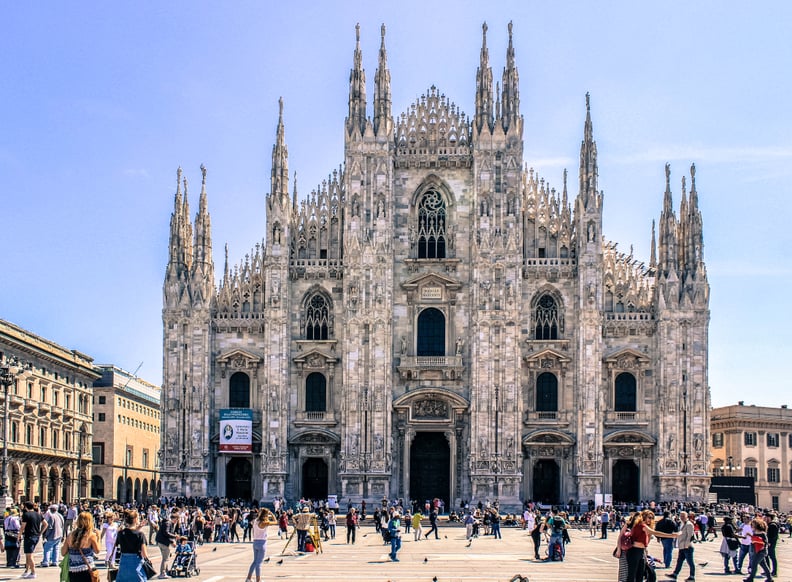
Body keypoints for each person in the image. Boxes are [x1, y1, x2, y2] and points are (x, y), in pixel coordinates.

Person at [60, 511, 100, 582]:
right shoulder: (91, 535)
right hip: (87, 569)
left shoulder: (70, 535)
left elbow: (63, 553)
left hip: (73, 570)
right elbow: (97, 551)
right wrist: (99, 537)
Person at [114, 510, 149, 582]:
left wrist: (138, 528)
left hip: (123, 561)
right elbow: (144, 553)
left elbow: (128, 534)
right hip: (136, 561)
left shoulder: (120, 533)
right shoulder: (140, 534)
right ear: (135, 519)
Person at [245, 508, 276, 582]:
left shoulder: (255, 521)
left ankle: (248, 578)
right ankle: (258, 580)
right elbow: (275, 521)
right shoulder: (264, 522)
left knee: (255, 561)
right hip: (262, 543)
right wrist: (271, 514)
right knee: (259, 563)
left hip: (255, 542)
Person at [20, 501, 47, 579]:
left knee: (29, 554)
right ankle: (26, 570)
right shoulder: (38, 514)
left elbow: (22, 527)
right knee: (28, 554)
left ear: (25, 507)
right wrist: (40, 532)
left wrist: (19, 535)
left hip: (29, 536)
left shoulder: (26, 515)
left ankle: (33, 572)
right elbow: (46, 524)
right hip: (36, 536)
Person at [664, 510, 693, 581]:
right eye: (681, 516)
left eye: (683, 516)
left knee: (690, 562)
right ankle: (675, 574)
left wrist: (686, 545)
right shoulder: (681, 524)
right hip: (681, 546)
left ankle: (692, 577)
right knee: (679, 561)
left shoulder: (689, 524)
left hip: (687, 547)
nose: (682, 517)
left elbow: (690, 536)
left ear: (687, 517)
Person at [154, 512, 179, 579]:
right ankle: (163, 573)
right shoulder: (168, 523)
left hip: (161, 542)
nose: (176, 521)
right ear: (174, 519)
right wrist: (174, 536)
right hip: (163, 542)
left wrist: (171, 541)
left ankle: (166, 571)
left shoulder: (167, 523)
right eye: (176, 519)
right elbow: (166, 533)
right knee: (165, 558)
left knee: (165, 557)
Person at [766, 513, 779, 578]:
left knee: (772, 557)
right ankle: (768, 570)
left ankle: (774, 571)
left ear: (769, 518)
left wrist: (770, 542)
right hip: (769, 543)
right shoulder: (770, 524)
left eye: (767, 517)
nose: (765, 518)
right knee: (767, 556)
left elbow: (773, 536)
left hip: (771, 543)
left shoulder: (773, 525)